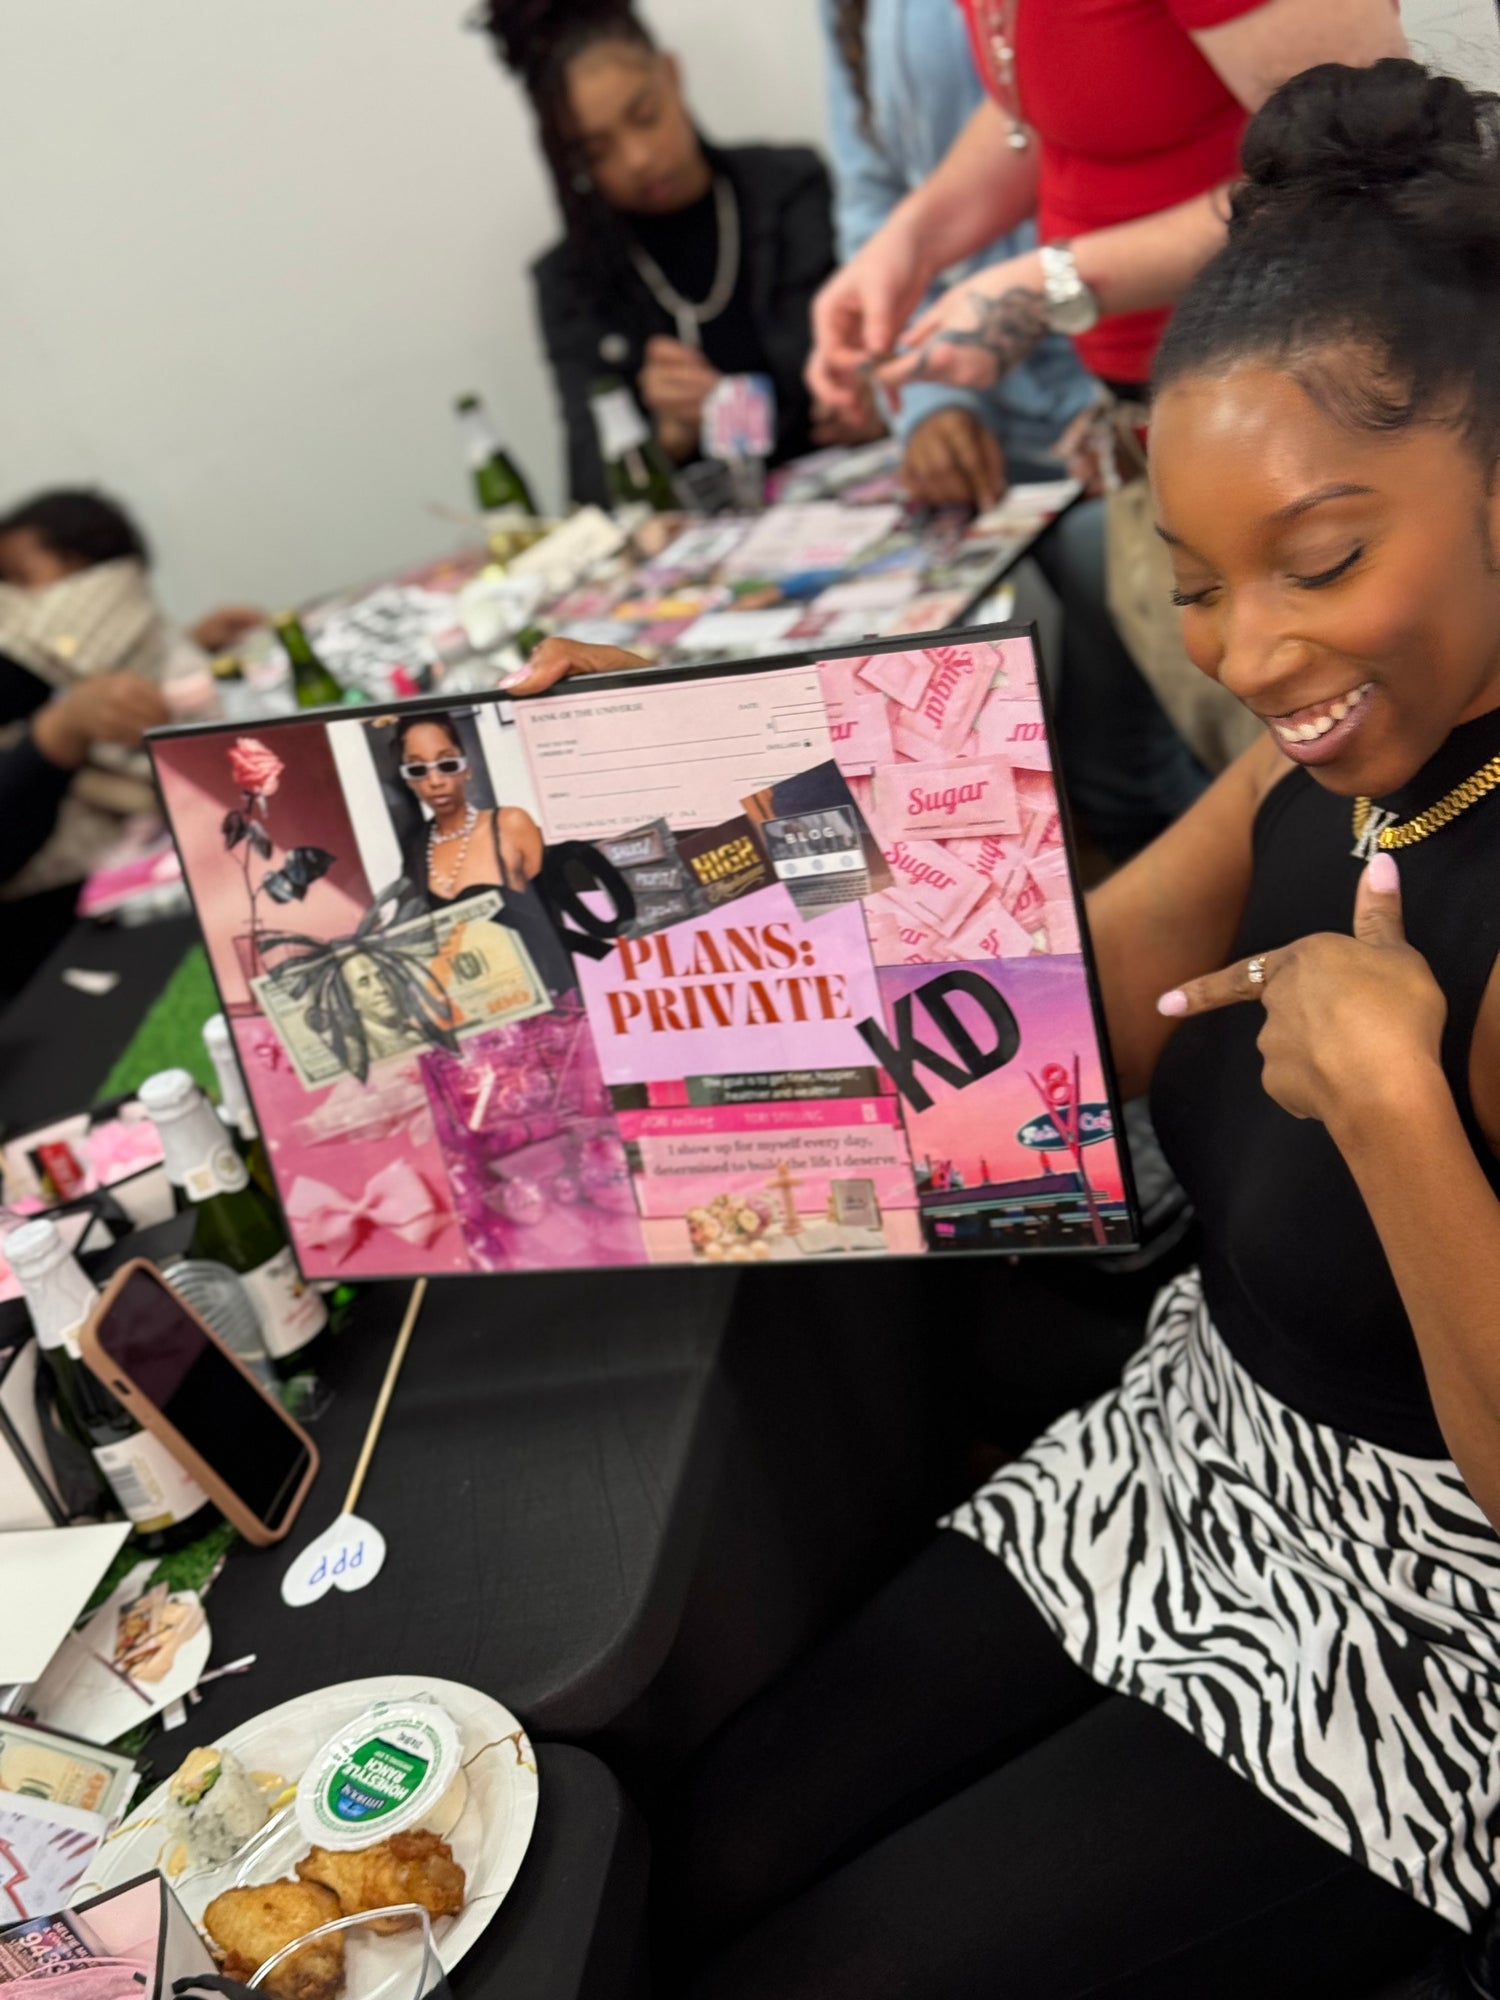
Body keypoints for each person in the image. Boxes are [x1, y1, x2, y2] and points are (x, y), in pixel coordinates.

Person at [523, 60, 1500, 1996]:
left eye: (1321, 562)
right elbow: (1032, 1000)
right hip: (1197, 1456)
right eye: (1198, 582)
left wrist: (1395, 1103)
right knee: (681, 1867)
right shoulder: (1320, 772)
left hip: (1418, 1645)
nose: (1246, 653)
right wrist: (692, 801)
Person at [808, 0, 1407, 774]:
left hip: (1295, 437)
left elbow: (1365, 156)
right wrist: (912, 241)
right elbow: (1048, 101)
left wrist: (1050, 285)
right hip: (1150, 434)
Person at [821, 0, 1207, 859]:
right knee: (1135, 780)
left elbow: (1333, 156)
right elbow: (1024, 117)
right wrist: (908, 253)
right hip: (1094, 416)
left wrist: (1044, 288)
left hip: (1198, 395)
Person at [476, 0, 850, 506]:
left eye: (645, 116)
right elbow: (588, 491)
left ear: (671, 74)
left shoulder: (791, 189)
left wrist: (858, 403)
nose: (638, 159)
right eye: (596, 151)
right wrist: (664, 441)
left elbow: (834, 388)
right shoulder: (573, 280)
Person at [392, 711, 576, 997]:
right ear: (408, 780)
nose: (435, 780)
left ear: (466, 768)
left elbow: (565, 919)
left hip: (547, 999)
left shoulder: (511, 825)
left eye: (447, 764)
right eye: (418, 770)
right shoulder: (416, 850)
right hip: (471, 1010)